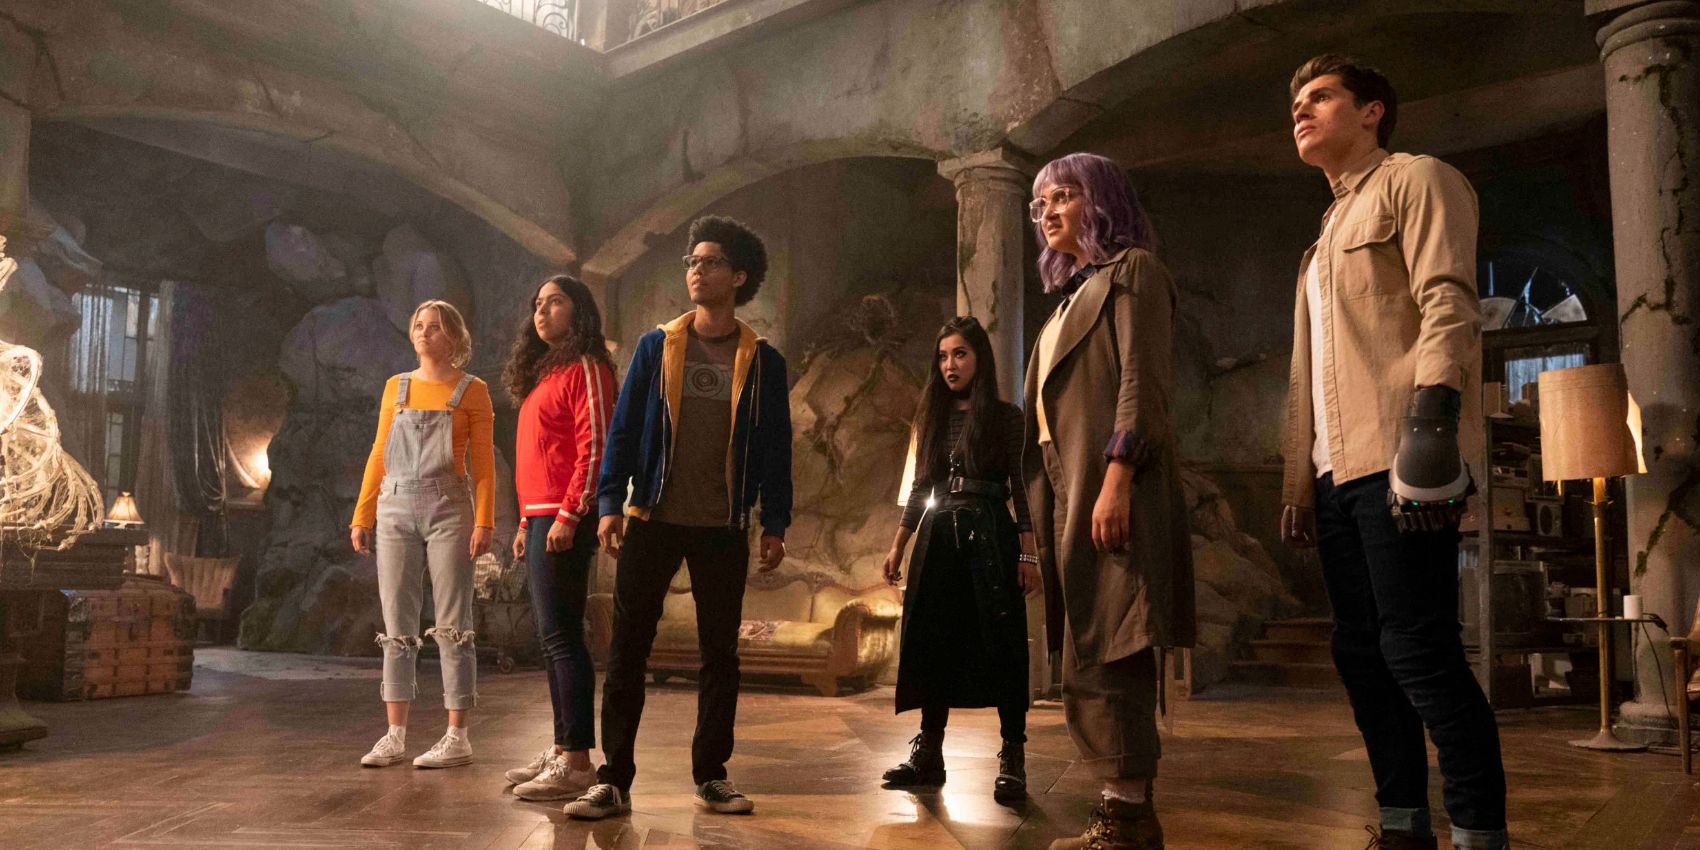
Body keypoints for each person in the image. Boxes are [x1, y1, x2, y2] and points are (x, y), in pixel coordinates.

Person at [1279, 55, 1504, 850]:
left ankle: (1479, 833)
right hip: (1334, 473)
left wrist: (1430, 428)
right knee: (1361, 656)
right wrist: (1298, 484)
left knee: (1419, 649)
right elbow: (1308, 377)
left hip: (1398, 453)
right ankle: (1404, 825)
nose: (1301, 111)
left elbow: (1448, 302)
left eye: (1320, 97)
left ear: (1372, 110)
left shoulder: (1417, 180)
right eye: (1296, 103)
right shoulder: (1319, 243)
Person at [567, 215, 793, 820]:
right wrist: (610, 503)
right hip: (654, 517)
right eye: (692, 262)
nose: (697, 271)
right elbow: (623, 430)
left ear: (739, 276)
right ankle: (613, 780)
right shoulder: (657, 346)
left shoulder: (763, 361)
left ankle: (712, 776)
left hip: (723, 527)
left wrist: (775, 521)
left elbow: (776, 448)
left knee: (720, 655)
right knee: (627, 652)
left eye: (710, 262)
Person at [1024, 152, 1194, 850]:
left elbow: (1141, 383)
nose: (1048, 212)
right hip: (1066, 488)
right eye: (1040, 203)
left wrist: (1117, 477)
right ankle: (1120, 809)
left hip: (1111, 484)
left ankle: (1127, 817)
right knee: (1086, 642)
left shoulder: (1134, 272)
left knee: (1117, 639)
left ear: (1101, 200)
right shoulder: (1069, 299)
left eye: (1063, 195)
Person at [880, 316, 1042, 803]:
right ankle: (929, 753)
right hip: (938, 538)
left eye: (960, 354)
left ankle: (1013, 755)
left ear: (979, 359)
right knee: (933, 640)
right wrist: (898, 543)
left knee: (1003, 642)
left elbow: (1021, 486)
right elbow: (920, 486)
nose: (950, 364)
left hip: (990, 534)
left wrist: (1029, 552)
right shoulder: (930, 415)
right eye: (943, 356)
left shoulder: (1006, 417)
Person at [349, 299, 494, 770]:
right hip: (393, 506)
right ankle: (395, 735)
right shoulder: (396, 387)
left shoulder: (473, 390)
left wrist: (485, 521)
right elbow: (378, 453)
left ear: (454, 337)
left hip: (449, 507)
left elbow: (484, 465)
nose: (424, 333)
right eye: (418, 326)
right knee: (397, 624)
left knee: (453, 622)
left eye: (434, 327)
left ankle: (457, 735)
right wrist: (362, 515)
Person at [499, 275, 618, 801]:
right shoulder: (546, 373)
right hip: (543, 516)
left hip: (566, 514)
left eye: (555, 302)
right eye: (537, 304)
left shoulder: (587, 366)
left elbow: (596, 445)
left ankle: (577, 763)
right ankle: (561, 746)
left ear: (579, 310)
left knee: (563, 637)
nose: (542, 311)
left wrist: (570, 514)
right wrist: (527, 523)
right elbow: (540, 459)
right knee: (552, 639)